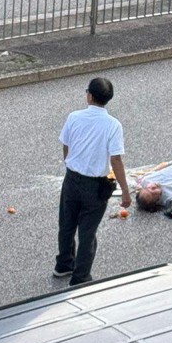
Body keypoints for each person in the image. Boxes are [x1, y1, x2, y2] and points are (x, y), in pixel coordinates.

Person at [54, 76, 131, 287]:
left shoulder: (74, 117)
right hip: (96, 186)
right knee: (87, 232)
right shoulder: (113, 125)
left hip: (71, 179)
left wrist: (70, 164)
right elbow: (116, 159)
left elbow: (66, 145)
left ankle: (63, 264)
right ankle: (80, 277)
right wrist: (125, 190)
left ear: (89, 96)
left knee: (66, 224)